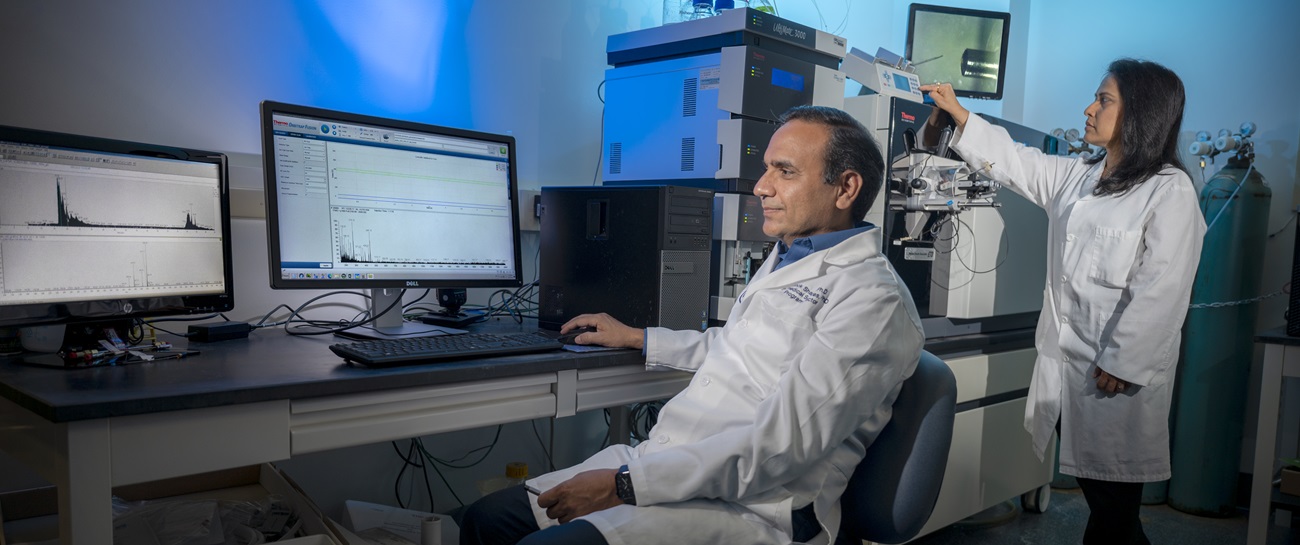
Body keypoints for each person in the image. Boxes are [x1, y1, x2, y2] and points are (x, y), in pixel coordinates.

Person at [459, 105, 925, 545]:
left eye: (784, 171)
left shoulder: (873, 300)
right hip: (677, 463)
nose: (761, 187)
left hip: (757, 502)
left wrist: (623, 485)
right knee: (487, 521)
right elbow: (744, 345)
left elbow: (781, 447)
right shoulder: (793, 255)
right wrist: (640, 338)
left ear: (845, 188)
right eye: (766, 169)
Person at [921, 58, 1205, 545]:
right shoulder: (1079, 176)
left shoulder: (1168, 189)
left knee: (1113, 511)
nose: (1089, 109)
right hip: (1067, 368)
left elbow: (1163, 284)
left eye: (1103, 100)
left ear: (1140, 113)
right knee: (1108, 510)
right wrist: (960, 114)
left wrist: (1125, 361)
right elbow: (1016, 162)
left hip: (1115, 376)